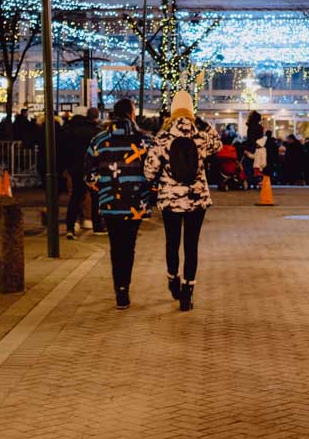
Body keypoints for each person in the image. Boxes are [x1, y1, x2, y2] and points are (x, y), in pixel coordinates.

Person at [144, 90, 219, 311]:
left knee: (172, 241)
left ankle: (172, 278)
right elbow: (218, 144)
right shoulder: (201, 137)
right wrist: (203, 124)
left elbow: (149, 171)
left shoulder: (163, 138)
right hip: (197, 199)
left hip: (170, 200)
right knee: (191, 244)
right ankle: (188, 291)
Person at [86, 99, 153, 309]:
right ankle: (125, 287)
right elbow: (153, 172)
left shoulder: (99, 140)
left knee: (116, 246)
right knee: (129, 245)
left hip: (110, 203)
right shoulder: (145, 140)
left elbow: (89, 175)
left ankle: (119, 290)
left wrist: (104, 188)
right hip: (136, 202)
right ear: (132, 114)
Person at [62, 107, 101, 236]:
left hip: (75, 167)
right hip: (91, 167)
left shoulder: (69, 130)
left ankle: (70, 227)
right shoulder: (95, 131)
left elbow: (65, 150)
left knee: (76, 196)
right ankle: (97, 225)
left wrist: (67, 166)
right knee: (95, 196)